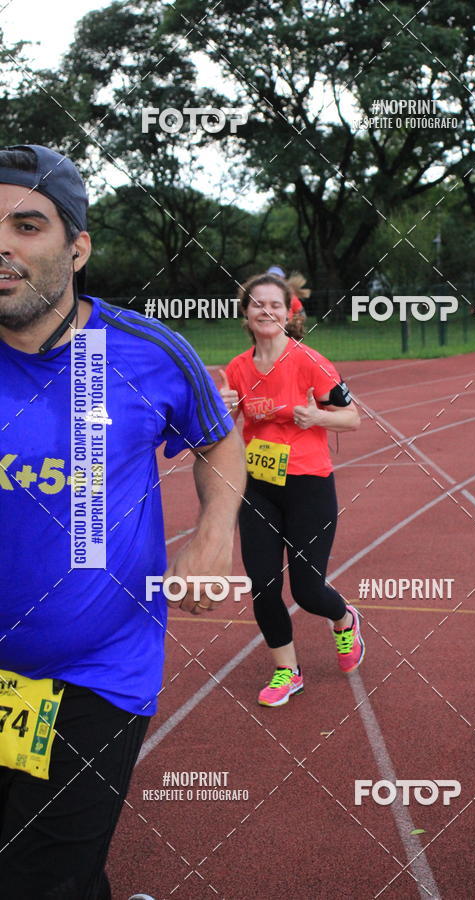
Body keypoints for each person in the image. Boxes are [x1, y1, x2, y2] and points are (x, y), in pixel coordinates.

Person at [0, 144, 247, 899]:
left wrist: (213, 534)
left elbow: (218, 440)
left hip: (97, 670)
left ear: (78, 247)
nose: (1, 246)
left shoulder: (147, 354)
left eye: (27, 225)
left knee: (34, 881)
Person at [219, 272, 363, 708]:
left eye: (275, 305)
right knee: (263, 586)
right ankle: (287, 671)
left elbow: (352, 417)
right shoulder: (237, 369)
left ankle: (343, 618)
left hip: (308, 486)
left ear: (288, 312)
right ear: (245, 313)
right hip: (258, 486)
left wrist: (317, 418)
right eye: (257, 304)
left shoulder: (309, 361)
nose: (266, 311)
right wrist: (224, 410)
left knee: (306, 590)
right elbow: (226, 430)